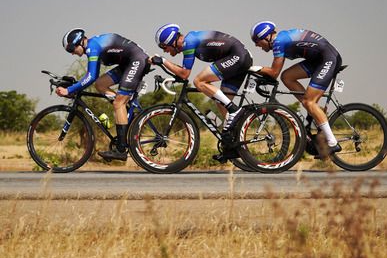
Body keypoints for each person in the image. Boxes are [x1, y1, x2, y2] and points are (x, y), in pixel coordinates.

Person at [249, 21, 342, 159]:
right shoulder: (281, 40)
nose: (256, 45)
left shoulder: (279, 42)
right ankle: (312, 113)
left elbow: (274, 72)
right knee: (287, 77)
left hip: (327, 59)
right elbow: (278, 74)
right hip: (317, 60)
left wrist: (251, 68)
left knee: (309, 102)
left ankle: (332, 142)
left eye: (256, 41)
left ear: (265, 37)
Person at [56, 28, 150, 161]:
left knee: (118, 103)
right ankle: (128, 111)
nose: (71, 53)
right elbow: (93, 77)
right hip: (129, 62)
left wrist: (70, 90)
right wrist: (73, 86)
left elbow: (91, 76)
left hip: (136, 60)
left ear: (78, 42)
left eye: (71, 49)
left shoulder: (92, 47)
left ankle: (121, 150)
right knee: (100, 84)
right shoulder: (93, 48)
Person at [149, 24, 253, 132]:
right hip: (241, 56)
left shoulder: (188, 42)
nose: (165, 51)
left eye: (164, 47)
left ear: (171, 41)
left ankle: (235, 110)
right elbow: (182, 72)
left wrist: (163, 61)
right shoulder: (190, 40)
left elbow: (184, 74)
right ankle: (233, 140)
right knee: (221, 101)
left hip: (237, 56)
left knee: (199, 81)